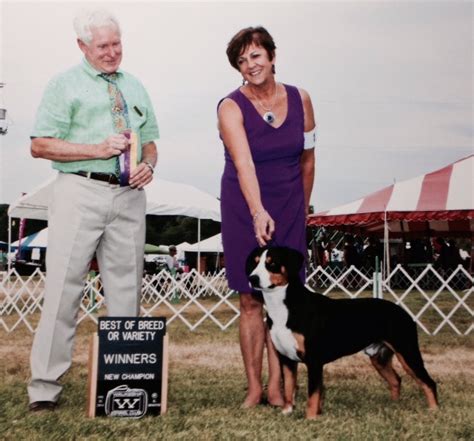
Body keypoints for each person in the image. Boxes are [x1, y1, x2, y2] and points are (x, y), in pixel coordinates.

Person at [27, 9, 159, 412]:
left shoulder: (134, 86)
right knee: (63, 290)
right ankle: (45, 388)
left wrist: (148, 165)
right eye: (103, 45)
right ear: (82, 46)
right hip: (77, 190)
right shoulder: (63, 85)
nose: (112, 52)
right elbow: (40, 144)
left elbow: (150, 140)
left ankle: (123, 384)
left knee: (126, 289)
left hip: (129, 196)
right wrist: (96, 150)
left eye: (116, 43)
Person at [218, 27, 316, 408]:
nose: (250, 65)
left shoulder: (302, 99)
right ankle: (254, 387)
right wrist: (258, 211)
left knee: (284, 298)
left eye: (255, 56)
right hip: (244, 205)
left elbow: (308, 159)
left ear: (272, 56)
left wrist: (302, 209)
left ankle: (277, 387)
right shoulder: (230, 106)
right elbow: (243, 164)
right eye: (241, 61)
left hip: (290, 204)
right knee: (251, 300)